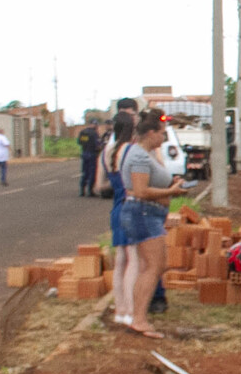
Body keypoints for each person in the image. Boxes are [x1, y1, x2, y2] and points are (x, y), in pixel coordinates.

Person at [115, 110, 183, 337]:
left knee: (151, 267)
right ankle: (139, 319)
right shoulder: (139, 157)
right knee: (153, 267)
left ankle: (138, 317)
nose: (163, 138)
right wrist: (171, 191)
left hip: (147, 214)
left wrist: (170, 188)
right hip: (143, 214)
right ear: (151, 133)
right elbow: (141, 190)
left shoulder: (145, 155)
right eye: (162, 134)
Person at [100, 112, 136, 321]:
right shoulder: (130, 151)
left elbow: (100, 185)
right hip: (130, 208)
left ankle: (120, 309)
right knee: (134, 261)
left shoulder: (107, 152)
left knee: (120, 261)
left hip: (116, 208)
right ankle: (130, 310)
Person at [77, 121, 101, 197]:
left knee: (84, 172)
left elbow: (79, 142)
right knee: (92, 173)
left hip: (84, 153)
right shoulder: (94, 133)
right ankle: (90, 191)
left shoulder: (83, 132)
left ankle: (82, 190)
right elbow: (97, 145)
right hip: (92, 154)